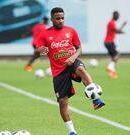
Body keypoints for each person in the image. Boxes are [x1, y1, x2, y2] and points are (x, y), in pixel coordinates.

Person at [35, 7, 105, 135]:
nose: (60, 20)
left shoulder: (71, 31)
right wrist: (40, 50)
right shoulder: (45, 34)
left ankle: (96, 100)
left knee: (81, 70)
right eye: (57, 18)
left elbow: (79, 48)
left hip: (72, 63)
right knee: (62, 102)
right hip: (58, 71)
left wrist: (73, 57)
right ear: (52, 19)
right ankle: (72, 131)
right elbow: (37, 48)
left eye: (62, 18)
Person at [104, 11, 127, 79]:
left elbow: (116, 31)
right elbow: (117, 31)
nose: (118, 18)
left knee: (113, 57)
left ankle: (112, 74)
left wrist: (122, 28)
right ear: (114, 15)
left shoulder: (112, 22)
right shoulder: (112, 23)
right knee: (118, 54)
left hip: (108, 42)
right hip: (109, 42)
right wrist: (123, 26)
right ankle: (110, 67)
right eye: (117, 16)